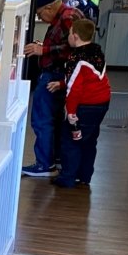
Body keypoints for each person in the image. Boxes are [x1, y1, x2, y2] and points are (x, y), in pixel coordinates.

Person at [22, 0, 85, 177]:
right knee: (54, 119)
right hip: (59, 74)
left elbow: (74, 47)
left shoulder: (67, 17)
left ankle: (44, 163)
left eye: (40, 14)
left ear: (49, 7)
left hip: (54, 75)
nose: (41, 18)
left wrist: (44, 50)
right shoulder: (68, 14)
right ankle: (53, 159)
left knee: (42, 119)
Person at [48, 18, 111, 188]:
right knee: (90, 140)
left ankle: (67, 178)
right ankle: (85, 175)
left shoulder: (76, 58)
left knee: (71, 141)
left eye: (69, 34)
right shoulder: (97, 52)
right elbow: (87, 78)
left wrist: (71, 113)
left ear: (75, 36)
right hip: (101, 103)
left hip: (85, 105)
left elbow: (75, 89)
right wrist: (62, 83)